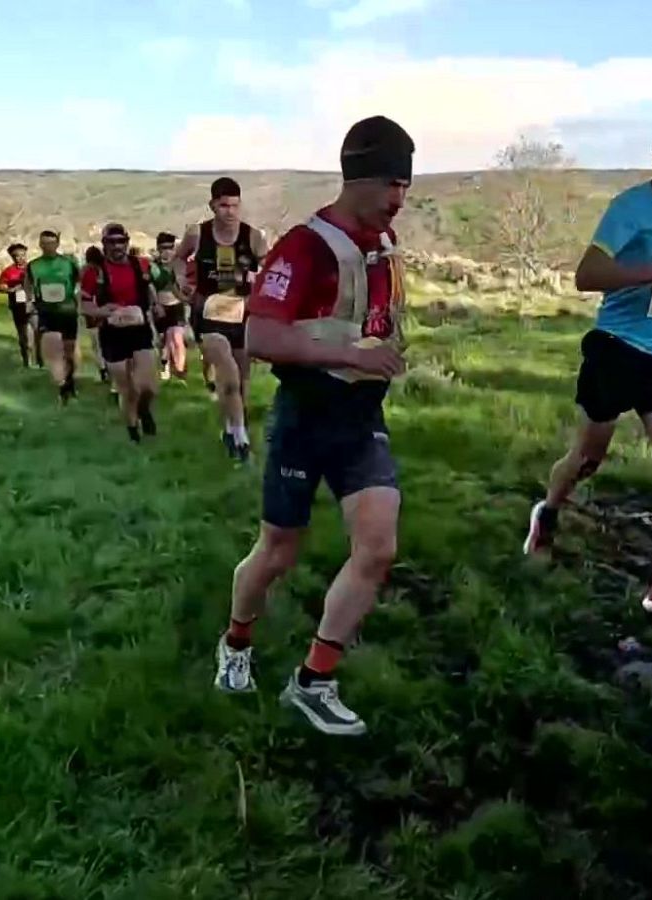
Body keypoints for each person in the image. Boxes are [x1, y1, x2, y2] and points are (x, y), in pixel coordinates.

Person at [212, 115, 413, 736]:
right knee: (278, 551)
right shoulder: (303, 247)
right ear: (358, 178)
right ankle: (236, 643)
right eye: (391, 184)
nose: (399, 199)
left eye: (406, 185)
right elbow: (261, 335)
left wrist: (384, 347)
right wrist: (351, 354)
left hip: (361, 418)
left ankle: (313, 681)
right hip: (305, 417)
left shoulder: (384, 243)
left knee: (378, 547)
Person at [521, 118, 652, 626]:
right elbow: (586, 275)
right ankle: (548, 512)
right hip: (615, 350)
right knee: (588, 458)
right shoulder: (629, 207)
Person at [174, 177, 268, 462]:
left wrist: (258, 279)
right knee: (227, 372)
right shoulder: (198, 234)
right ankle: (241, 440)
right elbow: (178, 259)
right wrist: (181, 278)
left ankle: (230, 426)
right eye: (224, 206)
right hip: (208, 313)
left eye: (235, 206)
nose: (230, 212)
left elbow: (269, 269)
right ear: (212, 205)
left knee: (242, 381)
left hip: (241, 313)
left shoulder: (252, 236)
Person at [79, 224, 162, 441]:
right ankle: (133, 432)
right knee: (127, 389)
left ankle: (144, 409)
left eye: (121, 241)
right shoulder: (94, 272)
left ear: (127, 242)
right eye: (111, 242)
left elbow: (154, 286)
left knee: (148, 386)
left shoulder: (141, 265)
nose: (117, 246)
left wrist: (156, 305)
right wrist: (102, 311)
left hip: (139, 329)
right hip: (112, 333)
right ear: (104, 245)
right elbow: (84, 304)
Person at [26, 230, 84, 402]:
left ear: (57, 244)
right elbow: (28, 286)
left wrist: (79, 301)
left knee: (69, 350)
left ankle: (71, 379)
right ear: (40, 244)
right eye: (44, 243)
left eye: (51, 243)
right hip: (46, 311)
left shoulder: (68, 263)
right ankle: (62, 385)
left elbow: (80, 282)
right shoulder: (34, 265)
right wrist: (29, 303)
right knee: (52, 349)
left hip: (67, 310)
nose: (48, 246)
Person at [149, 232, 188, 381]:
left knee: (177, 338)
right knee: (163, 340)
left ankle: (180, 372)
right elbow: (151, 287)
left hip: (176, 305)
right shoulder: (153, 266)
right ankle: (165, 365)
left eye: (170, 247)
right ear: (158, 249)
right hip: (160, 305)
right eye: (163, 248)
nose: (167, 251)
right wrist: (156, 304)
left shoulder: (179, 265)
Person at [0, 243, 36, 368]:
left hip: (34, 305)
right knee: (24, 336)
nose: (20, 258)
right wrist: (11, 289)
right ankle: (27, 362)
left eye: (22, 255)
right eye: (16, 256)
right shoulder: (8, 272)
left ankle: (41, 361)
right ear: (12, 257)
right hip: (18, 306)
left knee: (39, 332)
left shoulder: (33, 268)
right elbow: (0, 287)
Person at [80, 245, 112, 391]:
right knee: (107, 340)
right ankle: (109, 366)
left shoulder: (87, 271)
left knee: (96, 342)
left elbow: (84, 291)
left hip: (91, 308)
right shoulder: (106, 270)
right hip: (106, 307)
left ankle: (103, 368)